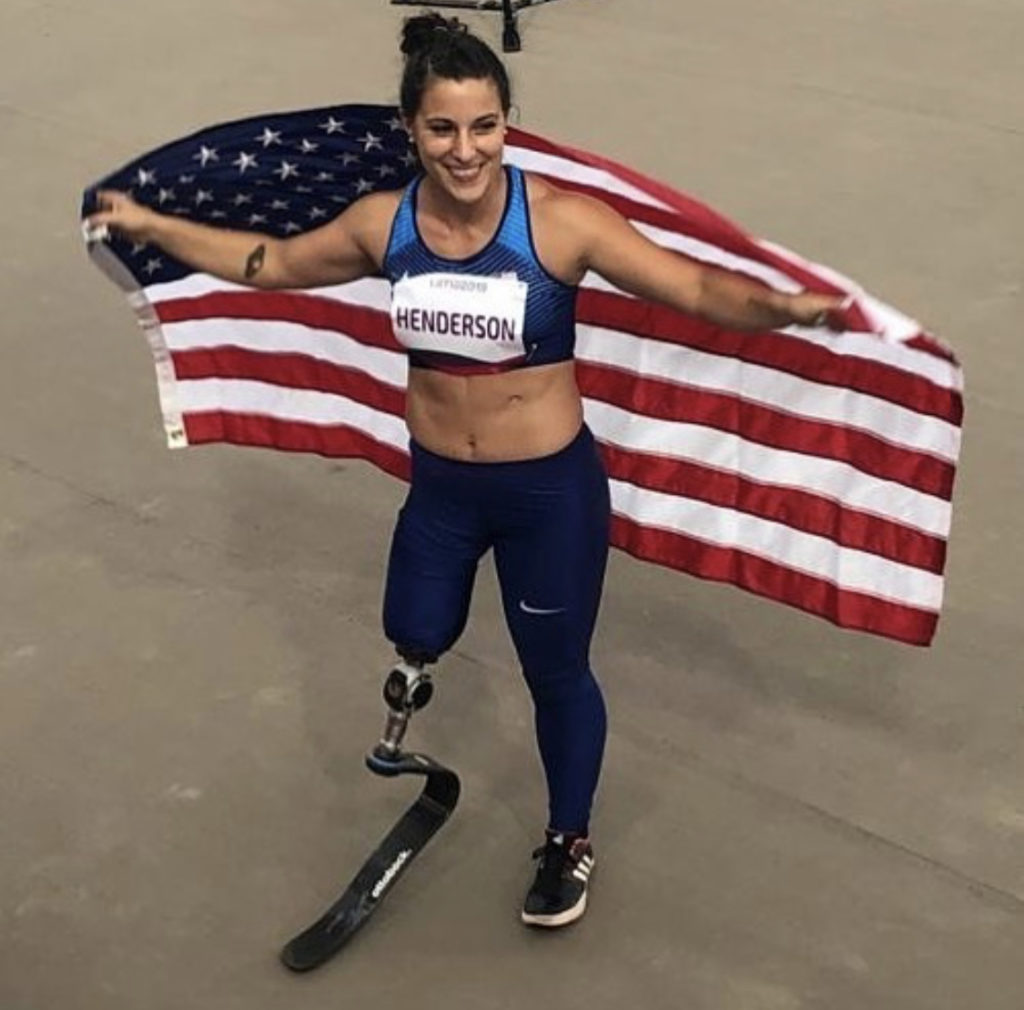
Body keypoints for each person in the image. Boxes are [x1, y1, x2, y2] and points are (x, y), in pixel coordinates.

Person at [87, 12, 845, 929]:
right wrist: (151, 224)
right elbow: (273, 263)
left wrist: (786, 308)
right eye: (443, 128)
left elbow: (689, 288)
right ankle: (416, 677)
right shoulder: (382, 223)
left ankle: (569, 839)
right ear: (410, 128)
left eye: (484, 126)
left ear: (507, 123)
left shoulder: (560, 225)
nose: (465, 149)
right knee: (412, 625)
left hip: (548, 495)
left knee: (555, 672)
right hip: (442, 488)